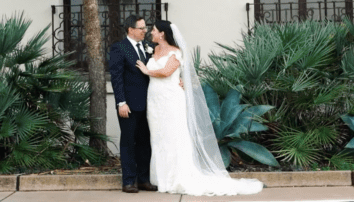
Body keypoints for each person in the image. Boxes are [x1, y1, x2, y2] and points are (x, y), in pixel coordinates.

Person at [135, 20, 264, 196]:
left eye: (154, 30)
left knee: (174, 136)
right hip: (155, 100)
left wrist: (147, 71)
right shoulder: (154, 49)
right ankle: (161, 179)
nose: (151, 32)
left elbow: (166, 72)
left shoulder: (176, 52)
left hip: (171, 99)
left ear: (162, 34)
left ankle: (176, 177)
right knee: (159, 138)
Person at [109, 15, 158, 194]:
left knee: (145, 142)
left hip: (150, 105)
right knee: (129, 142)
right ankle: (128, 181)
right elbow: (116, 78)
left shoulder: (150, 47)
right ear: (130, 30)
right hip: (129, 105)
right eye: (141, 28)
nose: (145, 31)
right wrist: (121, 102)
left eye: (145, 28)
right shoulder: (119, 48)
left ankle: (144, 179)